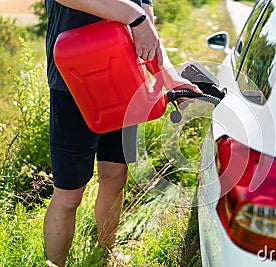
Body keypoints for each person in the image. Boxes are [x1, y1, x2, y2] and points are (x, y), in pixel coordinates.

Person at [43, 0, 201, 266]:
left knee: (115, 175)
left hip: (124, 80)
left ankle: (104, 254)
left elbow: (148, 34)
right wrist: (134, 16)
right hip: (73, 83)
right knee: (69, 194)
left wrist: (171, 77)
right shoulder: (134, 15)